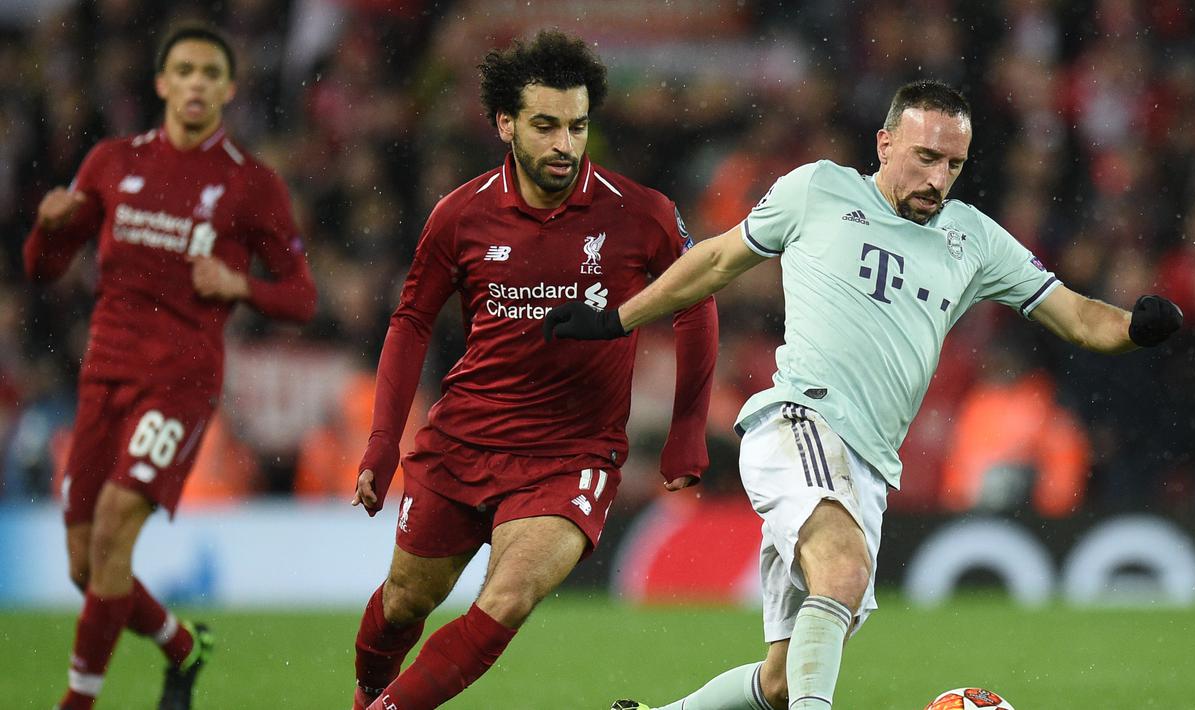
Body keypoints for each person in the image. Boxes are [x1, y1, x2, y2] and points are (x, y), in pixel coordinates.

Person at [543, 80, 1182, 710]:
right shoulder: (818, 189)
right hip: (801, 421)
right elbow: (714, 261)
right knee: (842, 572)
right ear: (885, 143)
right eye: (925, 157)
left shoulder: (974, 239)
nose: (937, 179)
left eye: (953, 165)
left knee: (785, 678)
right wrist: (616, 319)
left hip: (869, 466)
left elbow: (1076, 317)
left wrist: (1134, 327)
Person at [348, 29, 718, 710]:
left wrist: (686, 427)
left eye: (576, 126)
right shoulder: (459, 214)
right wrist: (381, 442)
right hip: (463, 440)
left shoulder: (640, 213)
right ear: (505, 124)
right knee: (404, 602)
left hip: (571, 453)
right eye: (545, 126)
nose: (563, 144)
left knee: (508, 597)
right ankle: (368, 695)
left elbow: (697, 302)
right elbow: (410, 323)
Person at [23, 24, 317, 710]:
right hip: (102, 377)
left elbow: (300, 295)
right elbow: (42, 269)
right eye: (183, 70)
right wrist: (49, 226)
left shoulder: (249, 183)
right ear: (161, 83)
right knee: (85, 565)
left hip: (180, 383)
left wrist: (242, 286)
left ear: (229, 89)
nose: (196, 83)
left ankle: (77, 703)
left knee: (116, 524)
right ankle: (180, 645)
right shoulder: (109, 161)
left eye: (210, 73)